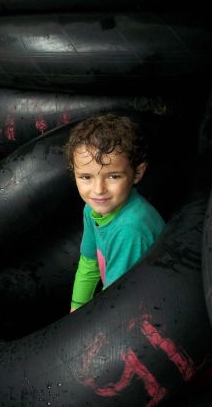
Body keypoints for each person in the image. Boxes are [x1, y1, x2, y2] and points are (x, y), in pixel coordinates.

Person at [63, 113, 165, 313]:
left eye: (113, 176)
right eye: (86, 177)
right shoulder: (91, 208)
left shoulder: (129, 229)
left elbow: (117, 300)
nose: (98, 190)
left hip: (145, 310)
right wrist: (75, 309)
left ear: (137, 173)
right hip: (120, 299)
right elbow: (89, 263)